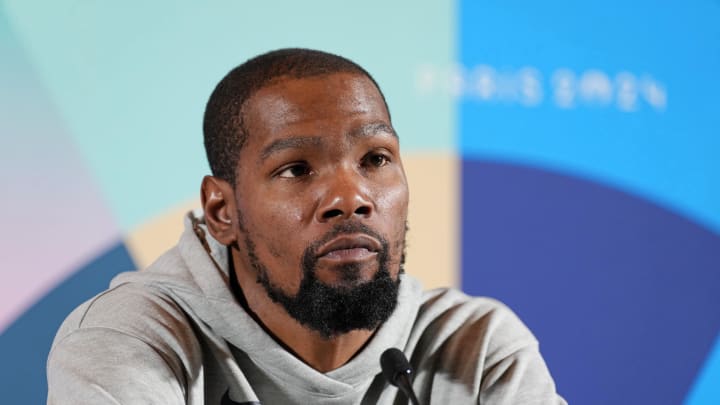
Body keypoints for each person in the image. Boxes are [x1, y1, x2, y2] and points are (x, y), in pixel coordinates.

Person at [47, 48, 566, 404]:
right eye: (296, 168)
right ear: (221, 212)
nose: (351, 198)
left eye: (376, 158)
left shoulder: (476, 347)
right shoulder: (129, 339)